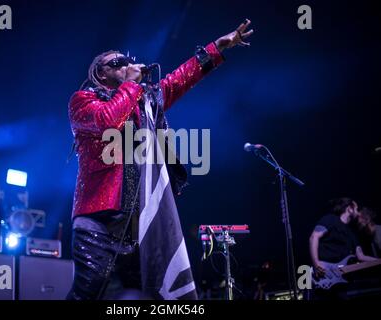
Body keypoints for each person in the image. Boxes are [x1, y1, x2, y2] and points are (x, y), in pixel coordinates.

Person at [66, 20, 254, 300]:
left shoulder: (143, 103)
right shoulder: (83, 101)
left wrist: (218, 47)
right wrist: (130, 85)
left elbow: (179, 79)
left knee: (140, 297)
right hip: (98, 221)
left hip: (136, 226)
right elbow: (107, 121)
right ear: (99, 75)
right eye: (115, 62)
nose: (125, 64)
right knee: (88, 292)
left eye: (126, 60)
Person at [308, 198, 378, 299]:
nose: (358, 213)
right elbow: (314, 237)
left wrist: (378, 261)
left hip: (340, 282)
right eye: (356, 209)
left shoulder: (352, 234)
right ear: (349, 208)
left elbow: (361, 256)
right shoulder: (330, 219)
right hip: (323, 275)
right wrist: (316, 263)